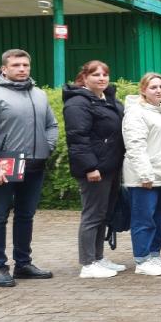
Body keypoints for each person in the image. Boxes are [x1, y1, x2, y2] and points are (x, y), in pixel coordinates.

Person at [0, 50, 58, 287]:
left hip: (34, 165)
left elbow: (51, 125)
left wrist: (47, 147)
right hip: (4, 166)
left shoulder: (39, 94)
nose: (22, 69)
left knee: (26, 215)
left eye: (25, 65)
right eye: (16, 65)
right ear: (4, 69)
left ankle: (23, 264)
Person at [63, 61, 126, 279]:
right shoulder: (78, 103)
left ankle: (98, 257)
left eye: (105, 74)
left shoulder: (108, 99)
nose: (101, 78)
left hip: (111, 166)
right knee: (92, 215)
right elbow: (77, 138)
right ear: (84, 77)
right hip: (95, 169)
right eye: (96, 74)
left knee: (103, 214)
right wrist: (90, 167)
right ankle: (88, 263)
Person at [121, 72, 161, 276]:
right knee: (144, 218)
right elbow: (135, 145)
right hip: (145, 177)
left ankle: (154, 254)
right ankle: (142, 259)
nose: (158, 90)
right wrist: (145, 174)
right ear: (143, 90)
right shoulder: (136, 112)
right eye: (153, 87)